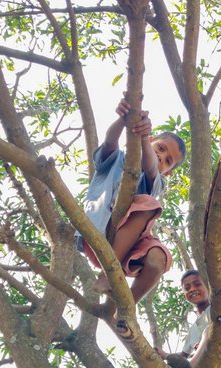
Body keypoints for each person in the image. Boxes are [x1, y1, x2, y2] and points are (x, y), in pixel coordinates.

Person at [76, 92, 186, 315]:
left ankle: (125, 309)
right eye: (161, 148)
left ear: (168, 172)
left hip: (125, 248)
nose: (161, 157)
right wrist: (124, 120)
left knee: (160, 257)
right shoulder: (116, 159)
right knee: (147, 204)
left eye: (168, 161)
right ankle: (108, 274)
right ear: (154, 139)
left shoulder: (157, 182)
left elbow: (150, 166)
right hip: (98, 232)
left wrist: (144, 139)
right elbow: (109, 142)